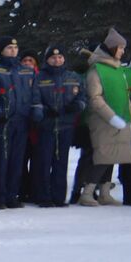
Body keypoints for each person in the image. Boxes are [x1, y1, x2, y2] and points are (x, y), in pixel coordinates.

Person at [78, 28, 131, 207]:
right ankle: (87, 193)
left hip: (119, 119)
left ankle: (104, 192)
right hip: (103, 120)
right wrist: (111, 117)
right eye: (120, 48)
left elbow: (126, 97)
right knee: (103, 156)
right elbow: (95, 98)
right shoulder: (97, 70)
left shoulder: (117, 69)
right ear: (111, 48)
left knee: (114, 156)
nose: (123, 51)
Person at [0, 35, 40, 209]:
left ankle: (12, 195)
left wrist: (35, 112)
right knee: (2, 160)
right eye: (9, 48)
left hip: (21, 121)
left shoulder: (26, 71)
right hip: (4, 121)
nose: (13, 51)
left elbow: (34, 95)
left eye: (15, 48)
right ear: (2, 50)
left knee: (17, 161)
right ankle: (0, 196)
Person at [31, 45, 87, 208]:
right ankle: (43, 196)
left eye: (60, 57)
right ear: (47, 60)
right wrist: (44, 111)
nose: (57, 60)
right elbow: (35, 99)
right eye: (53, 58)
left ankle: (59, 196)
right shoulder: (39, 77)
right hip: (46, 126)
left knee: (61, 162)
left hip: (65, 125)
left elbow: (83, 97)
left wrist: (77, 106)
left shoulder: (73, 77)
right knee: (44, 162)